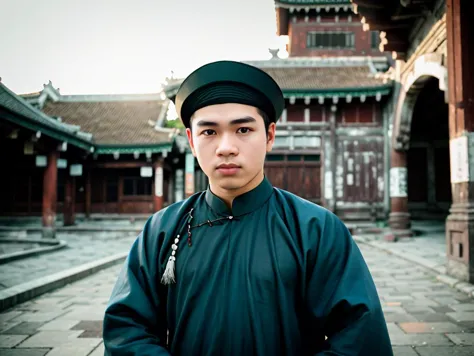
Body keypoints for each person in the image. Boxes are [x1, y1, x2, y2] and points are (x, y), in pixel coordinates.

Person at [102, 60, 393, 355]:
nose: (226, 147)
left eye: (242, 129)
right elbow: (127, 330)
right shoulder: (162, 230)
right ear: (191, 140)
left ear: (269, 136)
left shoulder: (315, 229)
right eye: (209, 132)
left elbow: (360, 335)